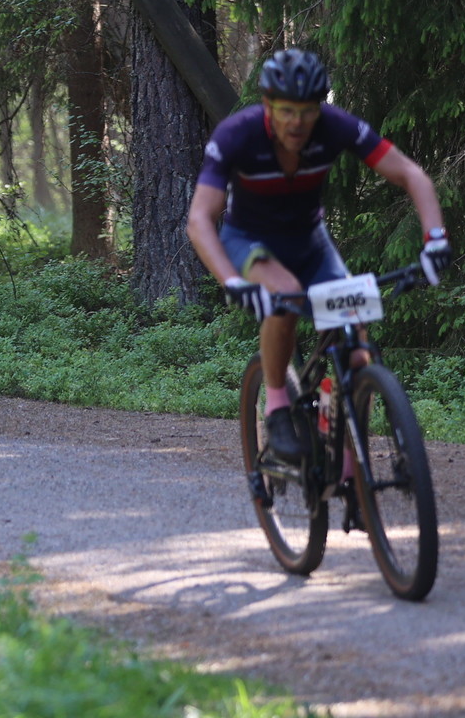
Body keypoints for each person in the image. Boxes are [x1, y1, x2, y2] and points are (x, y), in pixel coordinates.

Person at [184, 48, 449, 464]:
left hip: (310, 242)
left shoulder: (334, 126)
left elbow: (410, 174)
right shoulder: (237, 135)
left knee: (356, 349)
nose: (297, 122)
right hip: (250, 240)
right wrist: (231, 281)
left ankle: (345, 457)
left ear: (319, 108)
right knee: (285, 293)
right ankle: (277, 407)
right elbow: (200, 219)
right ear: (267, 105)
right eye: (286, 111)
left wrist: (435, 239)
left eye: (307, 112)